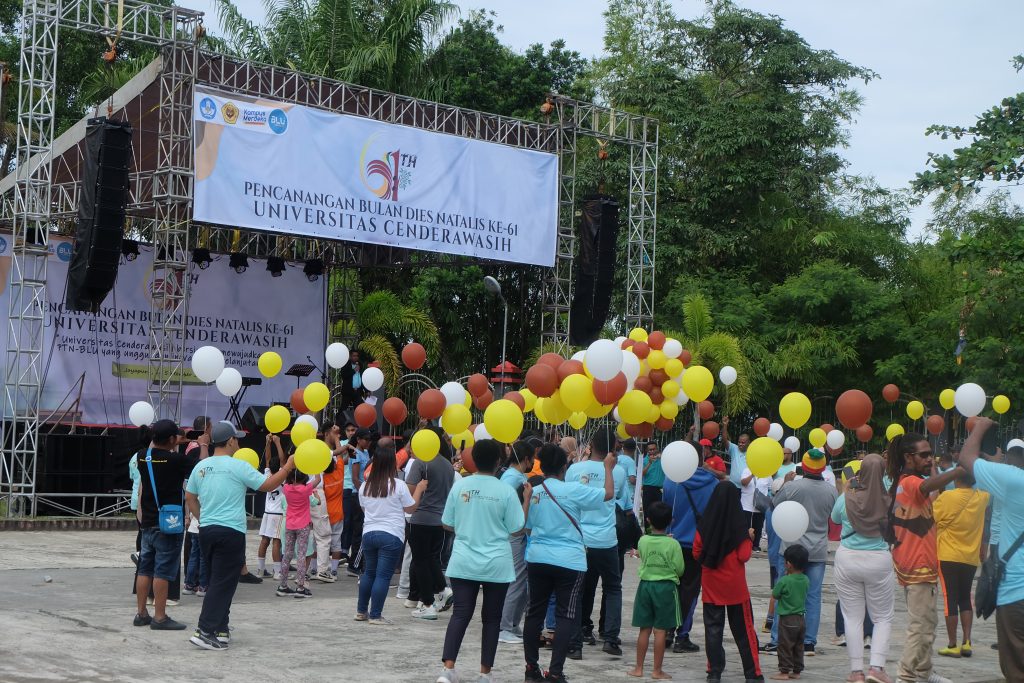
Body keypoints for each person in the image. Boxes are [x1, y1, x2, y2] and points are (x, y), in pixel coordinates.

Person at [184, 421, 296, 650]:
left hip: (206, 531)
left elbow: (190, 497)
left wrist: (203, 518)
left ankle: (221, 628)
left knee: (219, 579)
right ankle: (204, 630)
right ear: (231, 441)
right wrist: (287, 468)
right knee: (223, 583)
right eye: (237, 438)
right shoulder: (238, 466)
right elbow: (267, 485)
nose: (238, 442)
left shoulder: (201, 466)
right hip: (230, 531)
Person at [522, 442, 616, 683]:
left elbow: (527, 528)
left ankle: (531, 669)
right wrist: (607, 468)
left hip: (538, 558)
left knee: (534, 613)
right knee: (566, 616)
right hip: (570, 561)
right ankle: (555, 672)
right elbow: (608, 494)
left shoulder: (534, 492)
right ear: (564, 466)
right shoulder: (574, 489)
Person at [436, 439, 527, 683]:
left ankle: (448, 669)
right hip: (496, 563)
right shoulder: (506, 491)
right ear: (499, 461)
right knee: (492, 619)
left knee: (460, 614)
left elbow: (447, 523)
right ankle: (484, 674)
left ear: (473, 459)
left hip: (464, 560)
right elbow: (518, 528)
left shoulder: (461, 486)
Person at [884, 433, 962, 683]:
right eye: (924, 455)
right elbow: (927, 486)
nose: (930, 458)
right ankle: (905, 676)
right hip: (917, 564)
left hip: (917, 563)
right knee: (920, 627)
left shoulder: (903, 482)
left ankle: (925, 671)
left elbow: (933, 491)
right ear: (909, 457)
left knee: (928, 622)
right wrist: (959, 470)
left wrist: (935, 468)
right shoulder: (910, 483)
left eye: (931, 453)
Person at [957, 418, 1024, 681]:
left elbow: (966, 457)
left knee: (1016, 667)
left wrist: (981, 427)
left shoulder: (1014, 481)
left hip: (1017, 591)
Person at [830, 453, 895, 683]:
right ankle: (876, 667)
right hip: (878, 558)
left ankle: (856, 671)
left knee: (852, 617)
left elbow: (835, 519)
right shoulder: (889, 498)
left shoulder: (848, 495)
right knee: (882, 617)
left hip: (848, 558)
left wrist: (846, 490)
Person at [566, 427, 628, 659]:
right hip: (606, 539)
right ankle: (610, 639)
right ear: (613, 448)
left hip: (580, 539)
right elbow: (619, 495)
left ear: (591, 444)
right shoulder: (618, 471)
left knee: (580, 589)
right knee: (612, 587)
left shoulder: (574, 469)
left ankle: (579, 636)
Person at [770, 448, 838, 656]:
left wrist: (785, 481)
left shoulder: (793, 487)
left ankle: (778, 639)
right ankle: (809, 642)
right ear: (823, 468)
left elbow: (774, 504)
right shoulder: (831, 491)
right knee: (813, 596)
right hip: (817, 550)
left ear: (804, 467)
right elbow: (834, 517)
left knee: (784, 593)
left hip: (792, 548)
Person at [693, 481, 763, 682]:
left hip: (711, 585)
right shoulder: (739, 525)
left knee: (713, 631)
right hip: (735, 587)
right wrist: (749, 538)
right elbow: (744, 556)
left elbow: (697, 552)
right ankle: (753, 674)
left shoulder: (704, 525)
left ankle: (714, 672)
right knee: (744, 632)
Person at [356, 438, 426, 625]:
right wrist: (418, 489)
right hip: (391, 535)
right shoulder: (398, 485)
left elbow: (365, 510)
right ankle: (376, 615)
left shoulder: (365, 486)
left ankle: (361, 611)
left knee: (369, 573)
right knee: (383, 576)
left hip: (369, 533)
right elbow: (410, 509)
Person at [133, 419, 195, 631]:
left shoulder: (143, 457)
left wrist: (169, 441)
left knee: (145, 568)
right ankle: (160, 616)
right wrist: (199, 445)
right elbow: (198, 469)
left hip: (148, 522)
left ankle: (141, 613)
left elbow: (154, 451)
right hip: (169, 523)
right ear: (172, 439)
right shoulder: (177, 460)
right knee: (163, 571)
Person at [661, 440, 720, 654]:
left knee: (671, 588)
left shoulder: (670, 481)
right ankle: (682, 636)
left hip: (672, 541)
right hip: (697, 544)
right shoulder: (712, 484)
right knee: (690, 590)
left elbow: (664, 509)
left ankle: (666, 631)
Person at [933, 469, 989, 658]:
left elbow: (933, 517)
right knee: (965, 598)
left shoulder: (946, 497)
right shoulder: (981, 498)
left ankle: (952, 644)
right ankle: (967, 642)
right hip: (970, 557)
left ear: (955, 479)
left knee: (950, 599)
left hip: (948, 555)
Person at [627, 500, 683, 681]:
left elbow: (641, 555)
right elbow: (680, 569)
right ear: (670, 521)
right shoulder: (673, 544)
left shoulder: (642, 540)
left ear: (648, 520)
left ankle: (638, 668)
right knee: (660, 631)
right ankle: (657, 671)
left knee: (644, 629)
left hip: (645, 586)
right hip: (665, 588)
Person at [408, 427, 457, 621]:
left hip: (420, 518)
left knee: (420, 561)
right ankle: (442, 589)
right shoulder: (447, 465)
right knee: (430, 559)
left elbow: (410, 492)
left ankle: (427, 603)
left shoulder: (420, 462)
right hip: (440, 521)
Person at [498, 440, 537, 644]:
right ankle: (504, 626)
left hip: (517, 534)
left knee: (520, 581)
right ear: (526, 459)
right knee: (516, 581)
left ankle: (512, 624)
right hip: (514, 534)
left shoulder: (514, 476)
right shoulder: (513, 479)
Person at [276, 469, 322, 598]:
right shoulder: (306, 489)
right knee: (301, 555)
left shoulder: (286, 488)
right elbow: (318, 480)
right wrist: (316, 467)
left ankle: (283, 586)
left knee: (287, 555)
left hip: (289, 525)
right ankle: (300, 587)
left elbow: (281, 480)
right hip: (303, 525)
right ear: (304, 478)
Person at [771, 545, 810, 681]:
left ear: (788, 564)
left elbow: (775, 595)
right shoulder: (805, 579)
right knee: (798, 646)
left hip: (787, 619)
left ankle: (784, 671)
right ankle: (797, 670)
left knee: (785, 646)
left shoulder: (784, 580)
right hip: (801, 619)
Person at [341, 427, 372, 576]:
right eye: (366, 439)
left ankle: (357, 563)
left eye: (369, 440)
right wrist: (363, 494)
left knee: (361, 528)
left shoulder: (365, 452)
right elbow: (355, 478)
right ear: (359, 440)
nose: (368, 442)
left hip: (363, 493)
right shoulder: (355, 454)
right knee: (358, 529)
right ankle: (354, 564)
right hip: (357, 495)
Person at [256, 433, 285, 579]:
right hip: (278, 514)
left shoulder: (267, 474)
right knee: (276, 542)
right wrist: (278, 443)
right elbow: (282, 460)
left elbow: (267, 459)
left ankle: (260, 570)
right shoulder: (282, 476)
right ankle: (277, 572)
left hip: (267, 513)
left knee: (264, 540)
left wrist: (267, 442)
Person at [321, 439, 347, 577]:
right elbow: (340, 455)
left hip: (324, 514)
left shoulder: (321, 479)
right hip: (338, 515)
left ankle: (315, 569)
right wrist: (337, 438)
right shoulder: (340, 473)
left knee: (320, 542)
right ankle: (334, 571)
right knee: (336, 544)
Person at [740, 466, 771, 550]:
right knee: (745, 525)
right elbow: (743, 483)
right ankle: (744, 544)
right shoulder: (747, 470)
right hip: (746, 503)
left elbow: (770, 488)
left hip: (760, 505)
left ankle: (755, 545)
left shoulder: (767, 474)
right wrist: (752, 475)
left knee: (758, 525)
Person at [641, 441, 665, 522]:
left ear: (657, 449)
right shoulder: (644, 460)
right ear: (647, 450)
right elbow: (642, 474)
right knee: (647, 511)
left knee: (660, 511)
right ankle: (648, 531)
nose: (651, 451)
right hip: (648, 489)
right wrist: (649, 463)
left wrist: (662, 456)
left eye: (653, 449)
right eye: (649, 450)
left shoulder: (662, 459)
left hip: (660, 489)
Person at [723, 417, 749, 489]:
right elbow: (725, 440)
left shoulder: (752, 452)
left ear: (748, 443)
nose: (740, 444)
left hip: (746, 488)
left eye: (743, 442)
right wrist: (725, 425)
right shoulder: (734, 448)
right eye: (739, 442)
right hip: (733, 486)